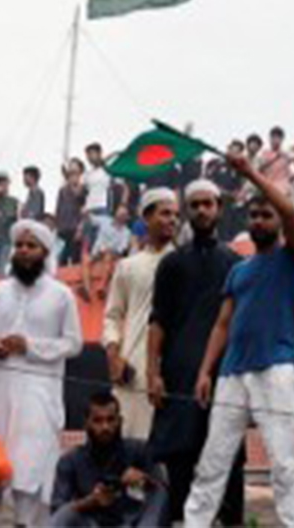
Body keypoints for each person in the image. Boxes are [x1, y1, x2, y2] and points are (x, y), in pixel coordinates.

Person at [182, 146, 294, 528]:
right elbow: (222, 325)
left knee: (286, 461)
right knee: (213, 462)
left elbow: (290, 211)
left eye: (264, 215)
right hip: (231, 374)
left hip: (275, 368)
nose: (259, 220)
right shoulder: (239, 271)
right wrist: (206, 371)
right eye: (253, 214)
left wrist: (252, 174)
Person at [146, 179, 242, 525]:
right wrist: (152, 373)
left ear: (219, 208)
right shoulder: (171, 264)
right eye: (196, 204)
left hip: (224, 378)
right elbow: (157, 322)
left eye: (208, 204)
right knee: (181, 466)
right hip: (178, 376)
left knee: (228, 463)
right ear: (188, 211)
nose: (202, 210)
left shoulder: (235, 263)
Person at [0, 219, 83, 527]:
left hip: (39, 394)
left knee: (30, 472)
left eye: (31, 246)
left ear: (44, 252)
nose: (24, 251)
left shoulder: (61, 294)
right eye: (20, 245)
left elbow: (74, 343)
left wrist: (30, 346)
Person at [101, 187, 179, 440]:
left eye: (175, 215)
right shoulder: (127, 266)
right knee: (131, 443)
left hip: (174, 366)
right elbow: (112, 316)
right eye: (165, 213)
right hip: (132, 367)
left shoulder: (184, 262)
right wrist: (114, 356)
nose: (172, 220)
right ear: (146, 218)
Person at [50, 391, 169, 527]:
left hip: (133, 523)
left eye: (110, 420)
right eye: (98, 421)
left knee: (159, 495)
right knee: (65, 515)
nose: (105, 427)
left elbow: (163, 491)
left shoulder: (138, 451)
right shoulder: (71, 460)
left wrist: (144, 481)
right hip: (90, 524)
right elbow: (58, 512)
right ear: (86, 423)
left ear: (120, 421)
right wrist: (91, 501)